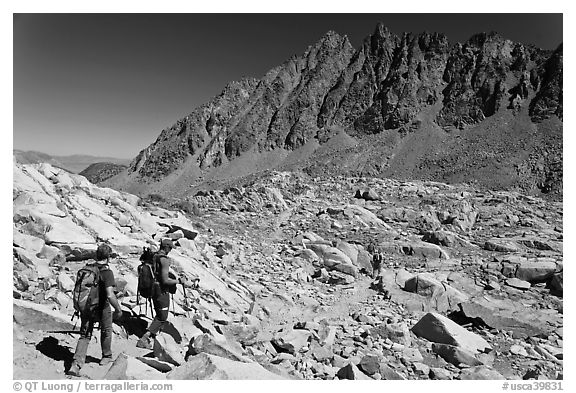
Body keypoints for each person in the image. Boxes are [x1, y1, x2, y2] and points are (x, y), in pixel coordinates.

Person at [67, 244, 123, 376]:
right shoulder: (107, 272)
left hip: (87, 306)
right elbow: (110, 294)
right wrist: (118, 309)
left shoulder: (87, 269)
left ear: (97, 255)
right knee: (106, 330)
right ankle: (106, 356)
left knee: (85, 335)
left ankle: (76, 365)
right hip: (102, 306)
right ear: (108, 257)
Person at [136, 238, 183, 349]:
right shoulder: (164, 260)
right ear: (166, 247)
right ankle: (145, 338)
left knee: (159, 313)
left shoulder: (154, 256)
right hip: (161, 291)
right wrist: (179, 281)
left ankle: (154, 335)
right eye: (170, 248)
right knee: (162, 316)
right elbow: (165, 280)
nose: (170, 250)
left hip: (152, 289)